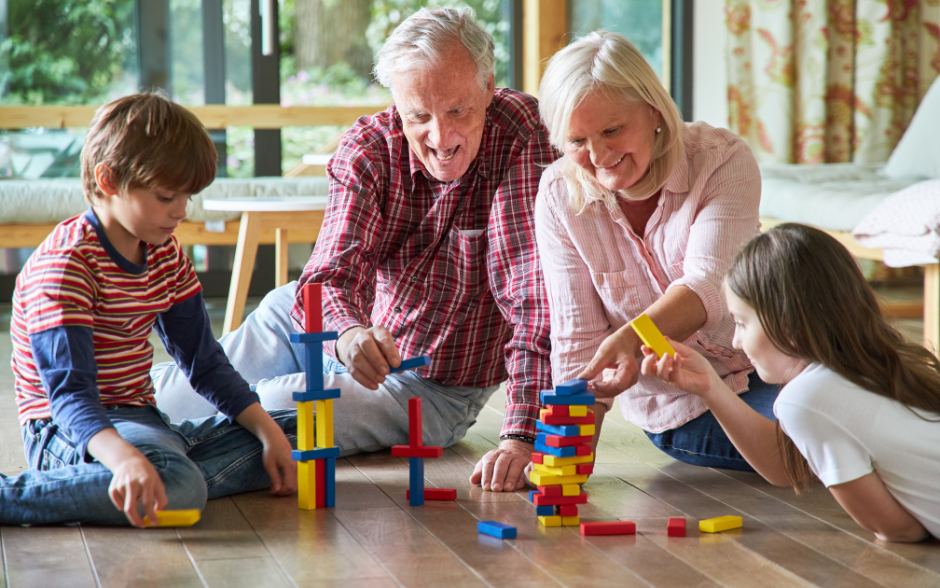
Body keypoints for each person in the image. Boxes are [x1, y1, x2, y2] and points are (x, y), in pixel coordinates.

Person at [151, 7, 553, 492]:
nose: (441, 138)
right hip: (321, 327)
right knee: (165, 398)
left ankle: (125, 462)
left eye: (458, 111)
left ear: (489, 87)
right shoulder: (368, 147)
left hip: (427, 384)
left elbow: (534, 300)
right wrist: (347, 333)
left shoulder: (525, 136)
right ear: (396, 102)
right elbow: (328, 279)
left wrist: (521, 436)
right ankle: (73, 421)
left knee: (261, 411)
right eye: (418, 116)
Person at [1, 93, 297, 527]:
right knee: (180, 486)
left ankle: (156, 476)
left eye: (187, 197)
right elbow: (70, 399)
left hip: (144, 420)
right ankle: (21, 495)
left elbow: (205, 362)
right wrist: (124, 458)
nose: (180, 211)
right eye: (165, 196)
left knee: (298, 434)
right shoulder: (65, 267)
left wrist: (268, 432)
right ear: (108, 180)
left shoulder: (165, 253)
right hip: (72, 432)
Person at [534, 30, 777, 470]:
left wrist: (629, 340)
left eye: (612, 130)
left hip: (776, 363)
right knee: (814, 444)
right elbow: (577, 338)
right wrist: (568, 463)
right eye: (576, 142)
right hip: (686, 405)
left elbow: (709, 285)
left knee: (879, 415)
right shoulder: (557, 195)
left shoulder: (722, 160)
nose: (599, 154)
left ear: (653, 110)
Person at [641, 223, 940, 542]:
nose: (737, 341)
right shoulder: (877, 362)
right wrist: (709, 386)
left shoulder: (806, 398)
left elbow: (898, 529)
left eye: (742, 323)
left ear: (786, 325)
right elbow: (783, 468)